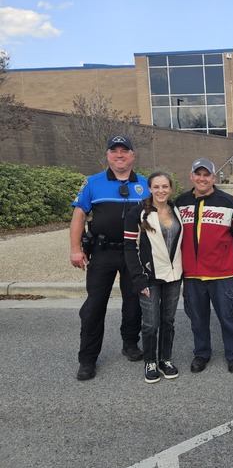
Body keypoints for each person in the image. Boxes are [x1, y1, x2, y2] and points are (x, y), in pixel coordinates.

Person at [70, 135, 149, 381]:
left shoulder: (146, 185)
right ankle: (87, 358)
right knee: (94, 306)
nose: (119, 155)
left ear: (132, 156)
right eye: (114, 151)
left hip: (134, 253)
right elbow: (79, 216)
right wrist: (75, 248)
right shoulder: (93, 183)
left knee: (134, 301)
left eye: (124, 151)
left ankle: (130, 343)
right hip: (102, 253)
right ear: (107, 155)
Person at [175, 158, 233, 374]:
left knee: (228, 317)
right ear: (191, 176)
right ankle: (201, 354)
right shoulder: (180, 203)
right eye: (198, 174)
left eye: (206, 174)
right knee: (197, 319)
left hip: (222, 273)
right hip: (192, 274)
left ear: (213, 177)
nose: (202, 178)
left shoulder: (231, 203)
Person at [124, 171, 183, 384]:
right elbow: (129, 248)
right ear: (149, 188)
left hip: (174, 275)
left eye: (165, 186)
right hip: (149, 276)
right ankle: (150, 362)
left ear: (171, 188)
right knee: (150, 323)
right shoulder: (137, 213)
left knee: (168, 320)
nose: (161, 190)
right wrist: (138, 278)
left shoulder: (176, 210)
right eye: (156, 187)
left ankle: (165, 359)